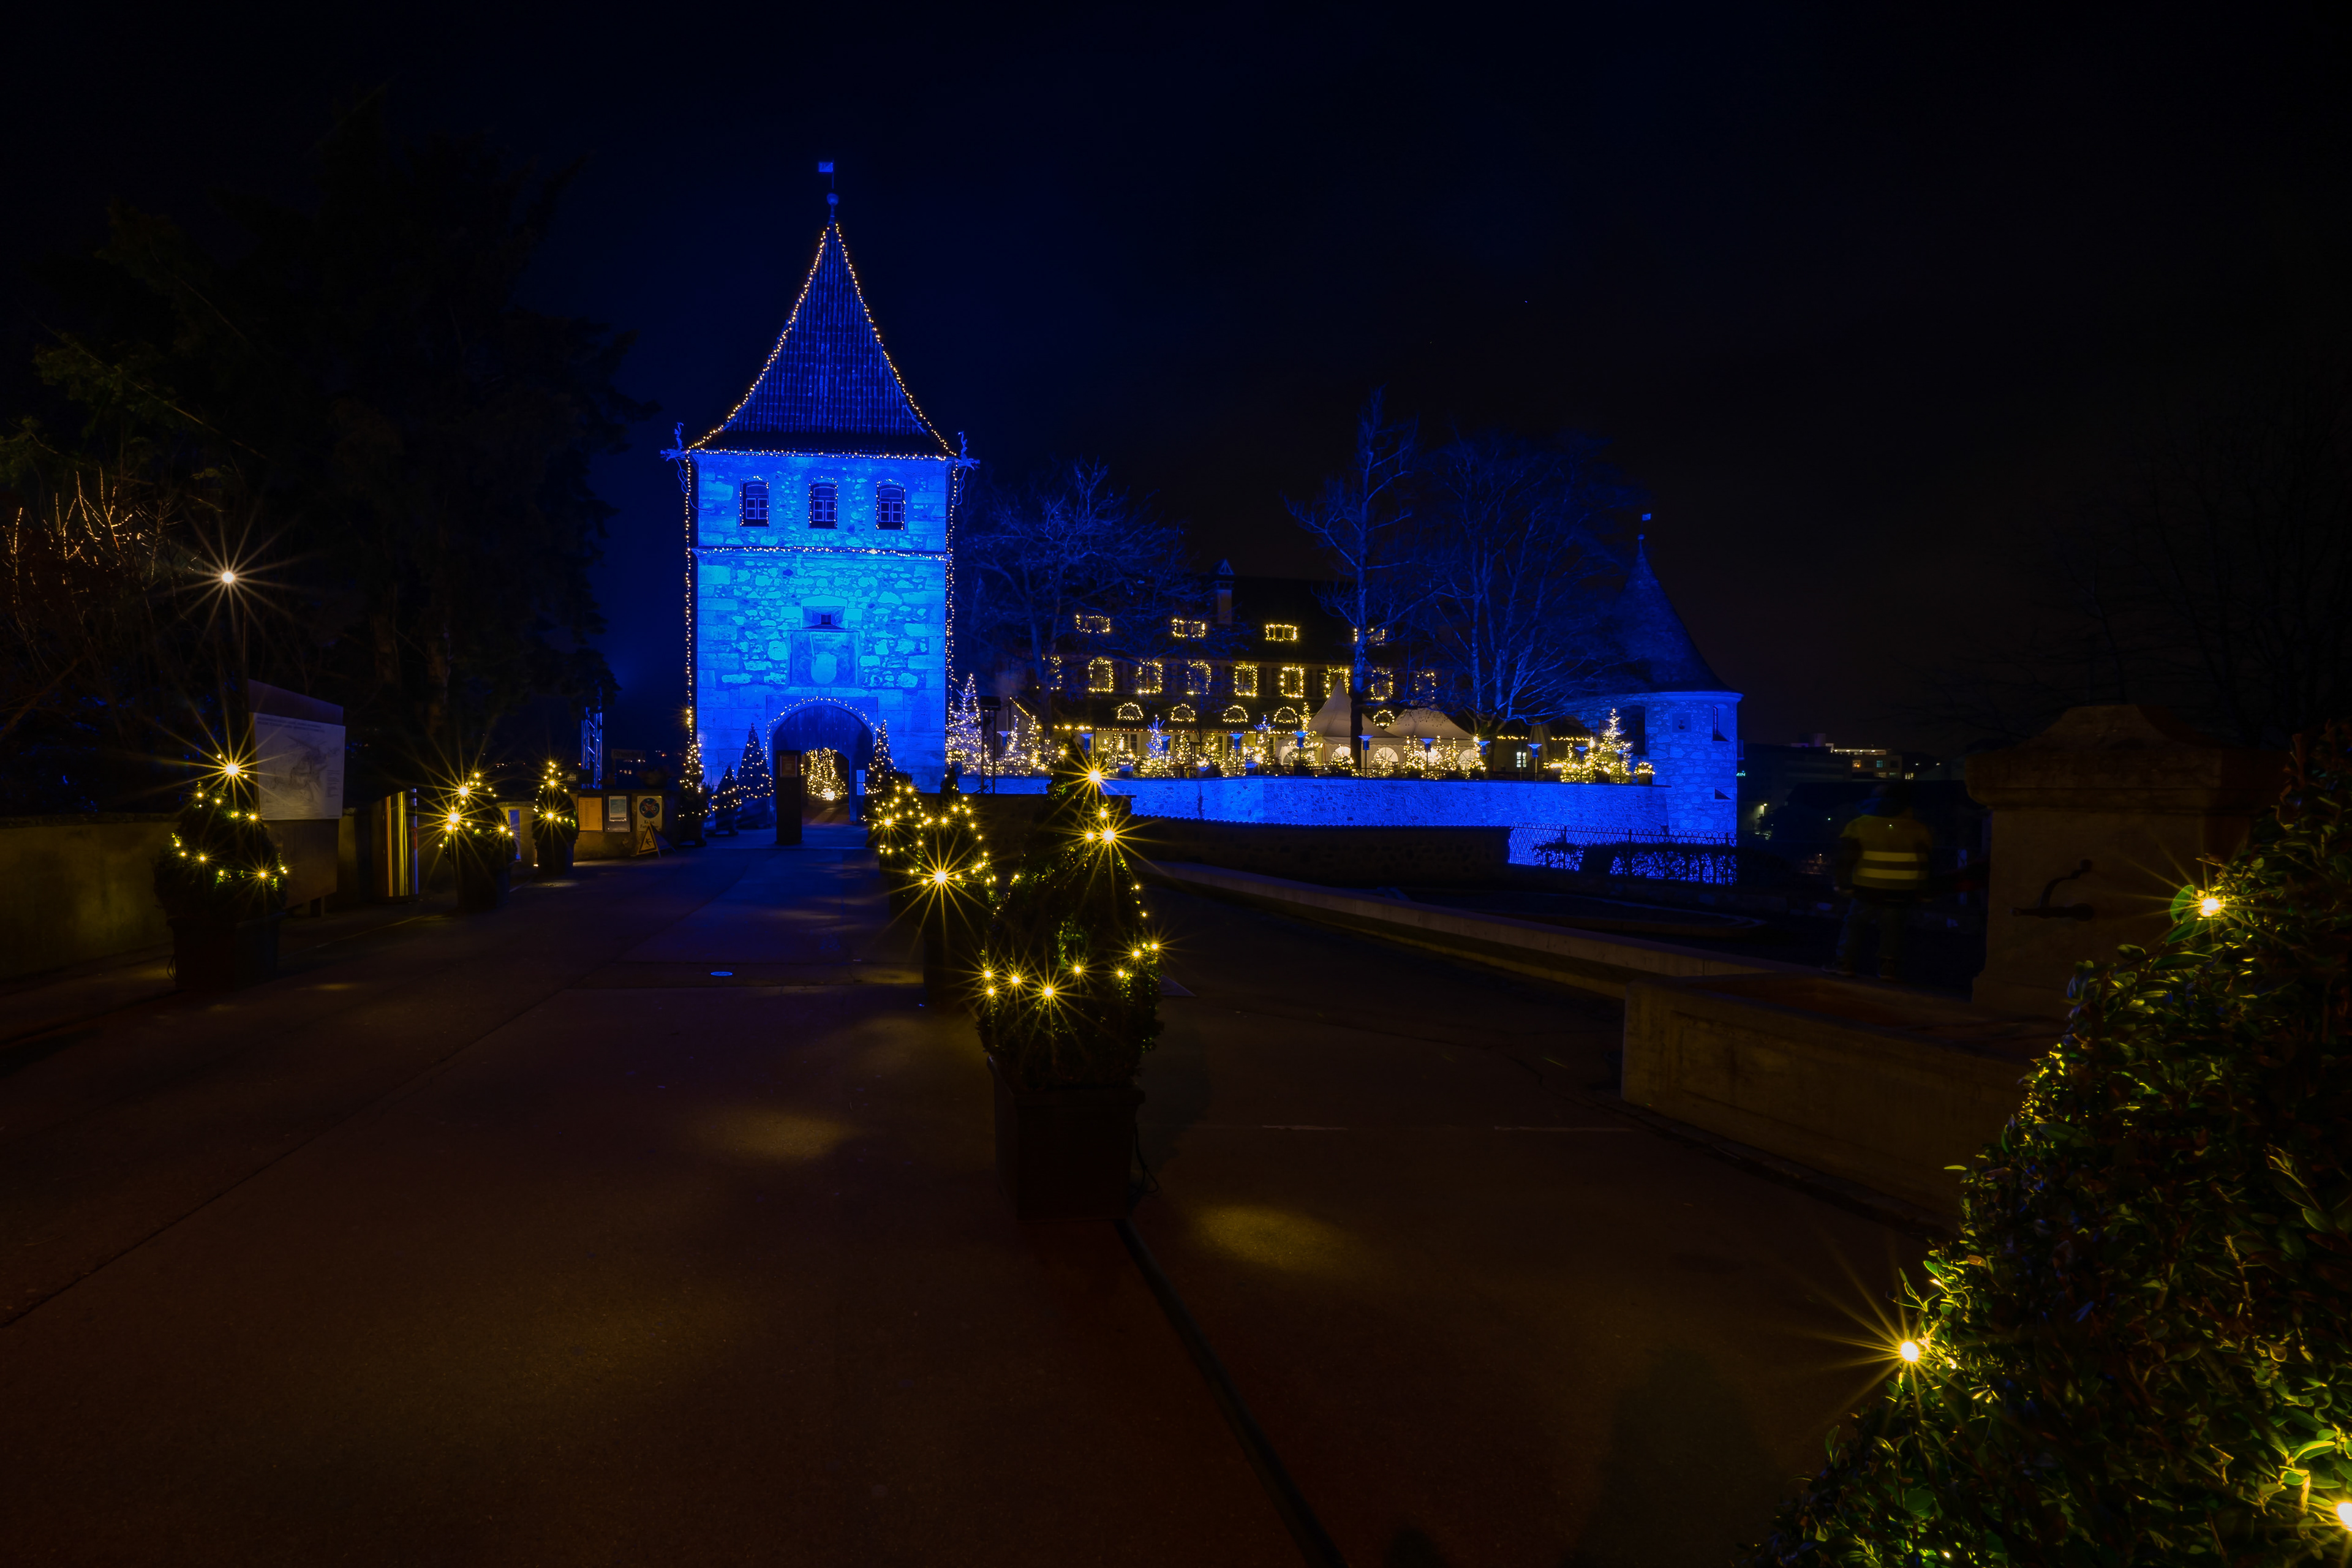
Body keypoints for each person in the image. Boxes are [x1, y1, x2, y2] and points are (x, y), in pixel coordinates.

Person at [1827, 778, 1933, 980]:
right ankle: (1888, 968)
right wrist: (1925, 889)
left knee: (1854, 925)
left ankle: (1844, 964)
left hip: (1867, 887)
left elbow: (1846, 859)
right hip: (1903, 889)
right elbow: (1926, 862)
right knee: (1894, 928)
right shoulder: (1918, 828)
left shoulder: (1858, 825)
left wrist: (1841, 883)